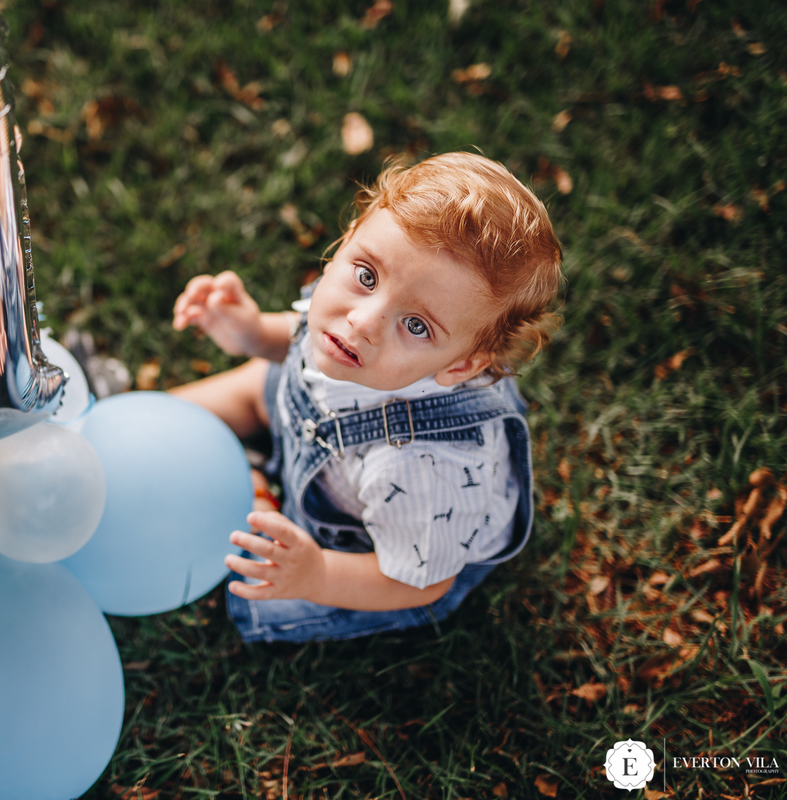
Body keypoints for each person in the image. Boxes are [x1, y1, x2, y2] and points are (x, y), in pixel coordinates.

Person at [170, 152, 562, 642]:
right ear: (352, 236)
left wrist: (317, 574)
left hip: (380, 553)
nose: (362, 322)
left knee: (256, 590)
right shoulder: (371, 307)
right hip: (326, 434)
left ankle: (259, 481)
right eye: (366, 276)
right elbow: (296, 335)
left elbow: (421, 581)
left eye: (416, 326)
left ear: (460, 365)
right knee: (257, 381)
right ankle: (153, 420)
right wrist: (251, 334)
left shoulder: (423, 467)